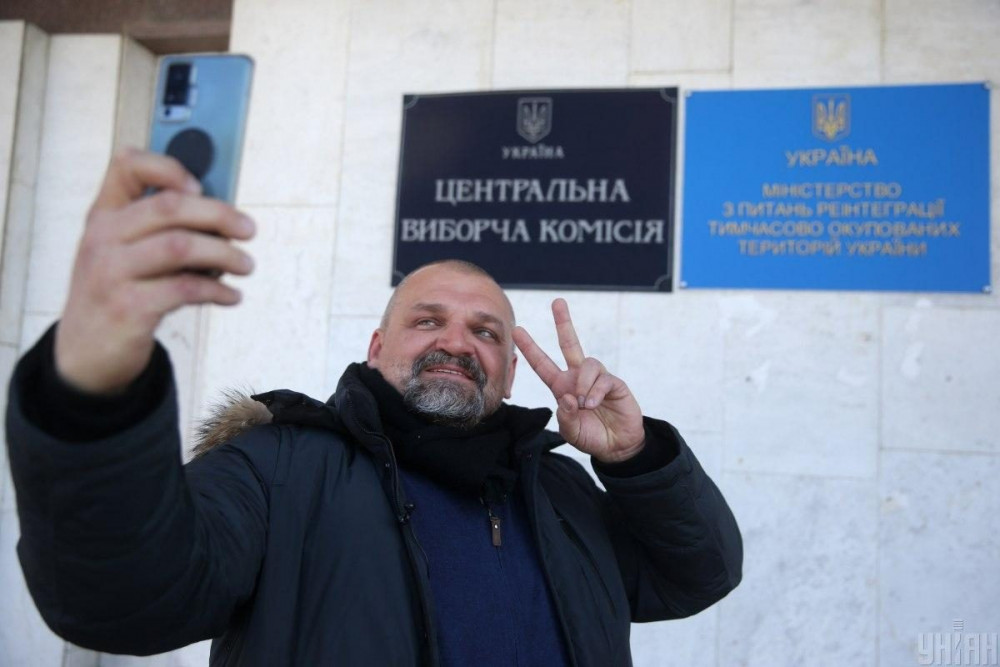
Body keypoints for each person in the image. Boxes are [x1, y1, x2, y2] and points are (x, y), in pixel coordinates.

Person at [6, 150, 742, 666]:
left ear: (512, 372)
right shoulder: (277, 468)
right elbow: (121, 597)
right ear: (376, 346)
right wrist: (94, 386)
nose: (457, 342)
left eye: (486, 332)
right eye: (428, 320)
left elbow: (699, 574)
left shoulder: (560, 488)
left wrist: (637, 459)